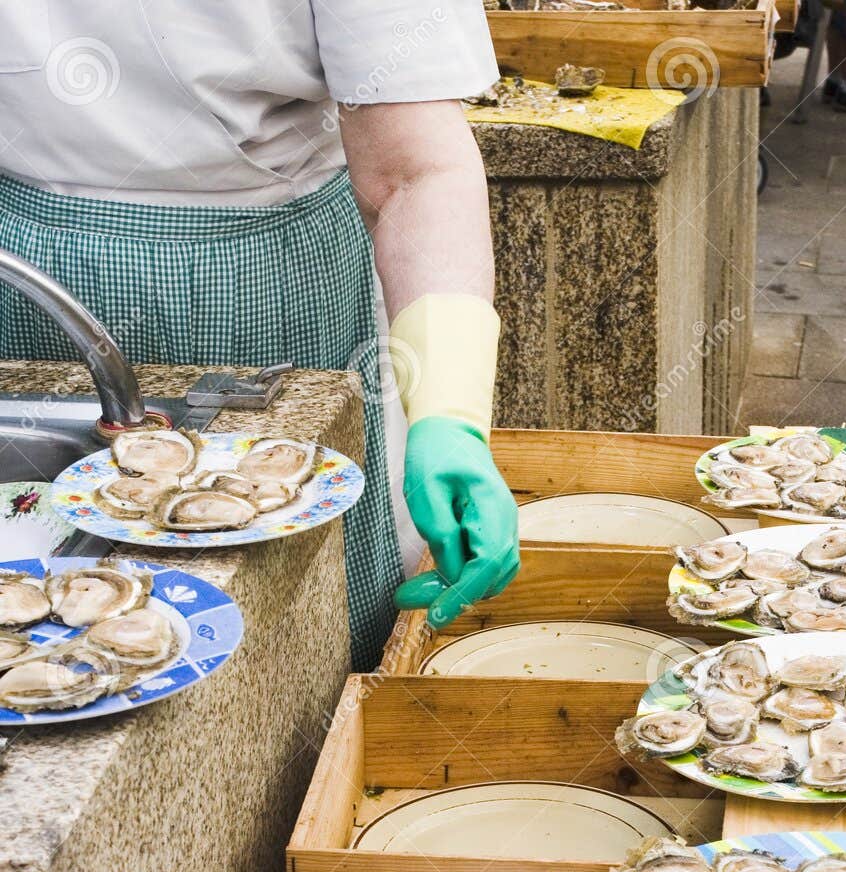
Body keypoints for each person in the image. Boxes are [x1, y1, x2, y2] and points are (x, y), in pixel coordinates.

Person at [0, 2, 519, 668]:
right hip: (26, 277)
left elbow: (414, 171)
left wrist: (450, 414)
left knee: (279, 635)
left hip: (263, 276)